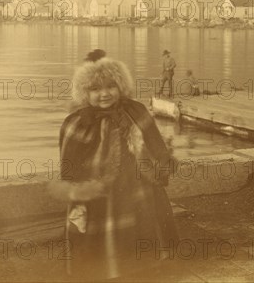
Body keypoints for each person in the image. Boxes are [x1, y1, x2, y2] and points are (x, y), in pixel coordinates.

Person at [49, 50, 179, 280]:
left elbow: (153, 140)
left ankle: (142, 268)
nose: (104, 94)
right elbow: (69, 161)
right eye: (95, 89)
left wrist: (162, 163)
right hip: (98, 192)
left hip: (137, 186)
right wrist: (77, 192)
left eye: (111, 86)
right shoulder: (77, 123)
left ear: (121, 86)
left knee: (142, 228)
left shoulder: (135, 110)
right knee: (98, 235)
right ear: (84, 93)